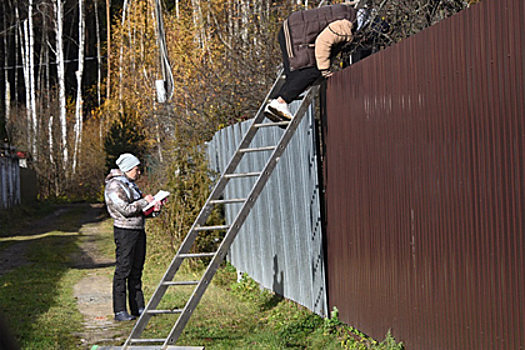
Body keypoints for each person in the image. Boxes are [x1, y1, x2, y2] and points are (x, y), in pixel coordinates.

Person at [264, 2, 357, 122]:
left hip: (289, 29)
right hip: (296, 34)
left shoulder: (345, 12)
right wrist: (324, 70)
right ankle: (281, 102)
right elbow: (323, 41)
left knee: (295, 75)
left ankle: (277, 104)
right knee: (312, 71)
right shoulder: (347, 24)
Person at [104, 153, 162, 321]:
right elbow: (126, 209)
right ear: (127, 169)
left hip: (138, 230)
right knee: (123, 269)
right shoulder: (115, 186)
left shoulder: (131, 185)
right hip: (125, 232)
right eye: (137, 169)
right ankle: (120, 310)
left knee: (137, 269)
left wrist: (154, 208)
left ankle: (138, 307)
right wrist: (145, 201)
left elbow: (140, 210)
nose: (139, 173)